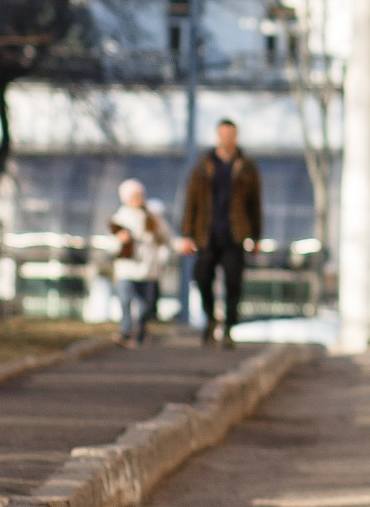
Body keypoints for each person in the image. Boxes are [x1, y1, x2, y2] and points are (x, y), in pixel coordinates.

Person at [178, 118, 263, 343]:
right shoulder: (204, 164)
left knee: (233, 281)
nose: (227, 139)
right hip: (206, 233)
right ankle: (210, 318)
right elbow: (191, 200)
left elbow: (255, 204)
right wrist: (187, 235)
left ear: (236, 137)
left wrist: (255, 237)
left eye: (230, 135)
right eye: (223, 135)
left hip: (235, 233)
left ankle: (228, 328)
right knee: (202, 276)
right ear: (218, 136)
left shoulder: (246, 165)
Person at [107, 179, 175, 344]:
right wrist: (119, 241)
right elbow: (110, 245)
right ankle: (125, 330)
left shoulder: (152, 217)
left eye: (140, 195)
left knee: (146, 305)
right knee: (125, 300)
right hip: (127, 268)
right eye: (134, 196)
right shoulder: (118, 219)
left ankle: (141, 328)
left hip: (148, 269)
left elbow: (168, 238)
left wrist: (175, 248)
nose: (138, 199)